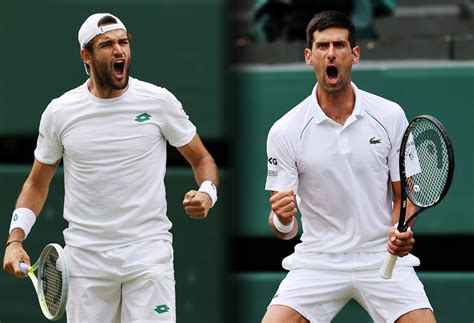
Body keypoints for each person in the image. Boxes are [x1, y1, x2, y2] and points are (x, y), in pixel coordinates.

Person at [3, 13, 219, 322]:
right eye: (107, 44)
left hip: (148, 255)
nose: (119, 51)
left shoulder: (159, 101)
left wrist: (207, 193)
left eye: (124, 42)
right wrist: (15, 240)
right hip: (85, 263)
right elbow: (37, 183)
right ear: (86, 56)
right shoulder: (60, 112)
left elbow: (203, 160)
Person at [262, 11, 435, 323]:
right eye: (322, 46)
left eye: (340, 45)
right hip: (318, 261)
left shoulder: (390, 115)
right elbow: (283, 229)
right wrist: (283, 218)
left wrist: (402, 229)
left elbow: (404, 195)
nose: (331, 53)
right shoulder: (285, 130)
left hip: (381, 256)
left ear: (354, 54)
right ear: (309, 56)